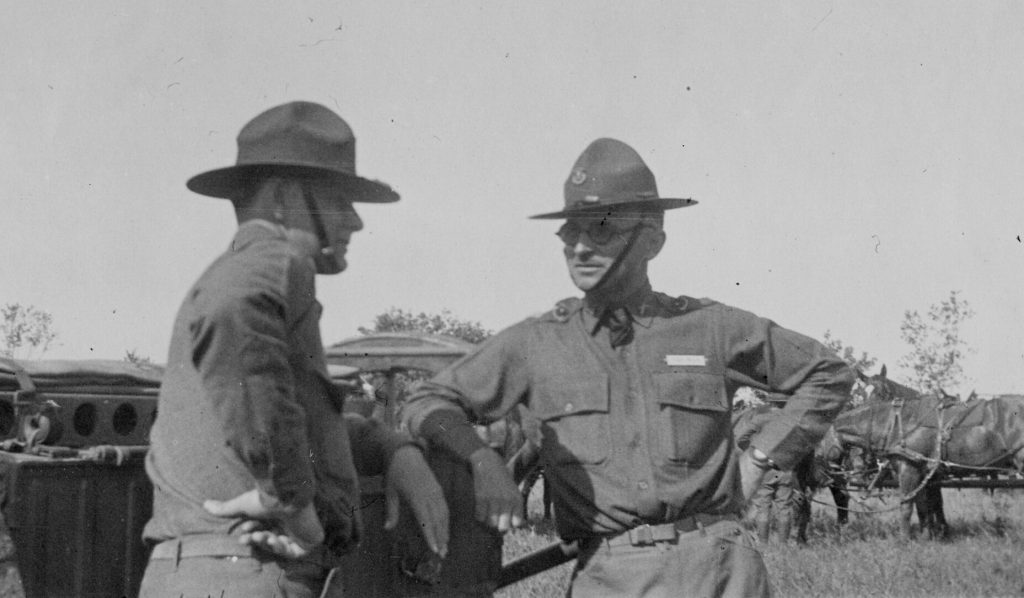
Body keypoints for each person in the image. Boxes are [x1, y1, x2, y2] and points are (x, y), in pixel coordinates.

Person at [401, 138, 854, 597]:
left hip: (722, 572)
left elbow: (828, 373)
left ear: (652, 240)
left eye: (600, 231)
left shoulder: (708, 327)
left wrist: (761, 457)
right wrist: (481, 460)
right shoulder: (537, 342)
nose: (579, 247)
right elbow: (427, 401)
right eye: (570, 233)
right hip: (611, 577)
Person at [139, 101, 449, 598]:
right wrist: (293, 504)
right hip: (245, 571)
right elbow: (229, 307)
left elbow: (298, 423)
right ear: (283, 197)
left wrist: (391, 449)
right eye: (338, 201)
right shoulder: (273, 261)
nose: (355, 223)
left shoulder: (258, 273)